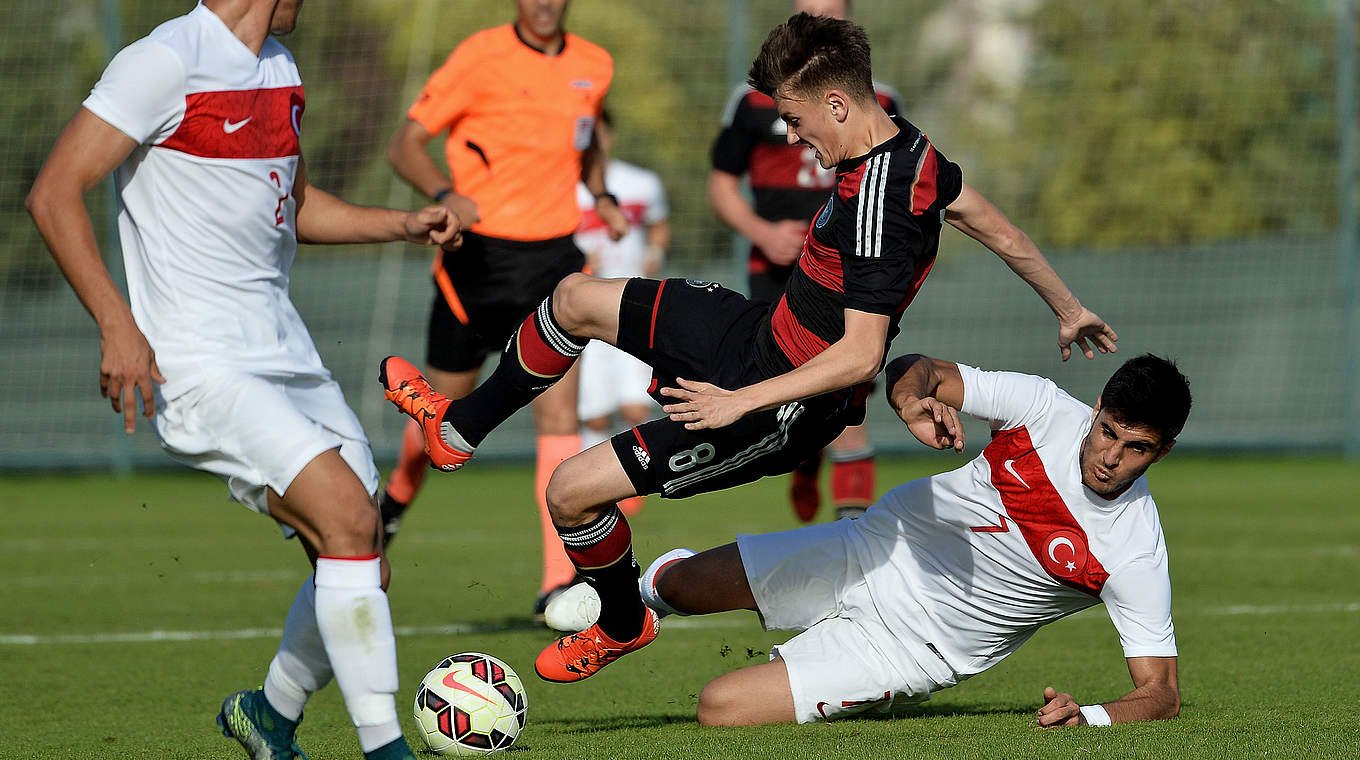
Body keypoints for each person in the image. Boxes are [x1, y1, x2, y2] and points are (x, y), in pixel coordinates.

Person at [377, 12, 1118, 685]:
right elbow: (998, 228)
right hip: (756, 333)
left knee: (568, 493)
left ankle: (623, 621)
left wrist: (740, 402)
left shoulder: (878, 209)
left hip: (786, 406)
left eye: (796, 120)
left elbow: (861, 358)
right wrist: (1068, 306)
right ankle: (457, 430)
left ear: (837, 104)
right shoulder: (915, 152)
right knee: (574, 299)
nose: (793, 139)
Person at [24, 1, 460, 758]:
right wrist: (117, 323)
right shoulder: (164, 61)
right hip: (201, 362)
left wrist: (400, 222)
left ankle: (271, 714)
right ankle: (386, 749)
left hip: (287, 352)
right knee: (353, 528)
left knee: (362, 565)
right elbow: (54, 191)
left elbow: (286, 205)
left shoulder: (278, 69)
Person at [637, 352, 1190, 727]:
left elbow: (1161, 693)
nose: (1110, 457)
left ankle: (862, 693)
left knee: (719, 708)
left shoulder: (1133, 550)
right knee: (683, 588)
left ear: (1162, 453)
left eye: (1136, 448)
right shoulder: (1041, 408)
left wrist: (1091, 717)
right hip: (870, 549)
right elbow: (915, 368)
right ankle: (626, 600)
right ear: (1095, 411)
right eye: (1108, 432)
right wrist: (910, 402)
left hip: (907, 650)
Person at [381, 0, 626, 622]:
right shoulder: (480, 55)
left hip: (552, 264)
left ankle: (555, 583)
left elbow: (588, 136)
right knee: (441, 419)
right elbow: (404, 144)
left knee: (559, 414)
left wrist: (601, 193)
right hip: (476, 261)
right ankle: (389, 511)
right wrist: (444, 195)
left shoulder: (594, 64)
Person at [710, 0, 900, 524]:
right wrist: (763, 232)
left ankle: (851, 540)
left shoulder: (878, 99)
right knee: (794, 403)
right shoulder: (752, 101)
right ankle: (803, 461)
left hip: (847, 276)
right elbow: (721, 187)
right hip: (775, 274)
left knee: (849, 400)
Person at [574, 110, 670, 518]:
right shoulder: (565, 191)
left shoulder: (640, 182)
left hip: (630, 306)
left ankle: (631, 480)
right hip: (581, 312)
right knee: (593, 413)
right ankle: (588, 487)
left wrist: (653, 255)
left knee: (635, 406)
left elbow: (659, 224)